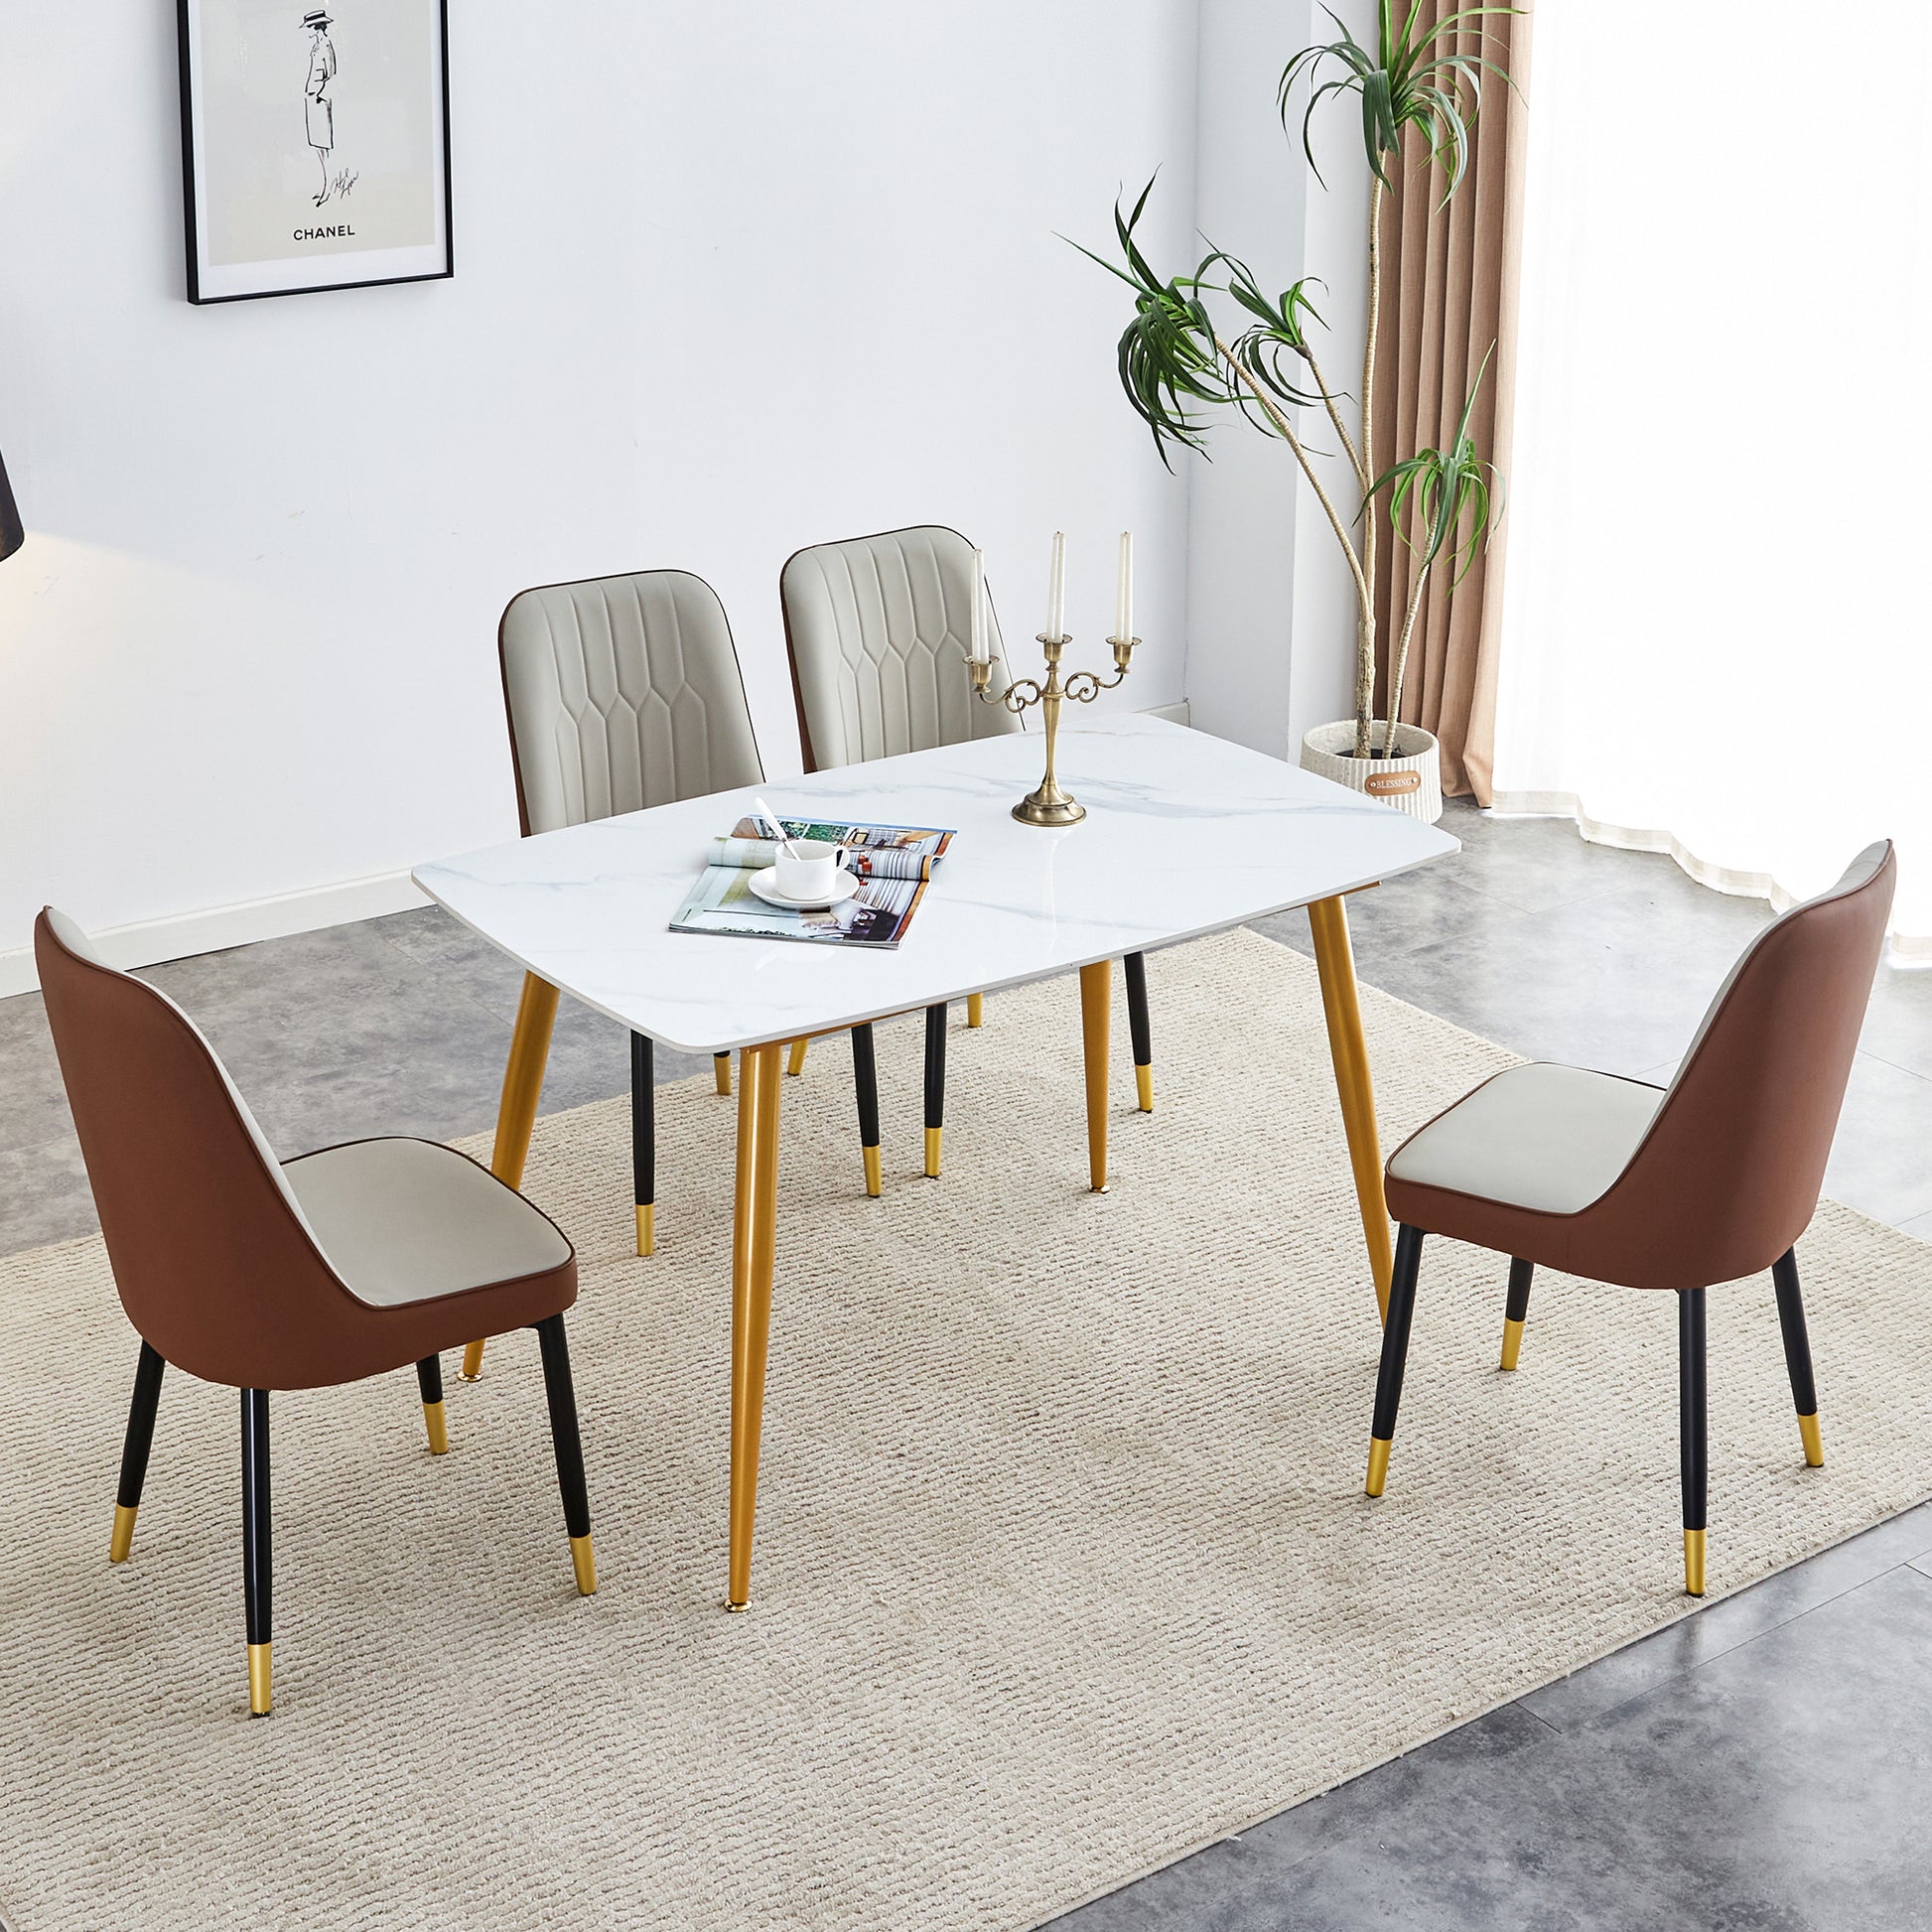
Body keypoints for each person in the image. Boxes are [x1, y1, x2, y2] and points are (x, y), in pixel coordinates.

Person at [302, 10, 337, 207]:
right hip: (312, 99)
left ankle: (328, 187)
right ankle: (324, 185)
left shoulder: (325, 46)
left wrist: (318, 95)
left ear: (316, 27)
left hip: (320, 101)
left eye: (308, 27)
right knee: (317, 145)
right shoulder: (316, 46)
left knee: (324, 145)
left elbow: (330, 74)